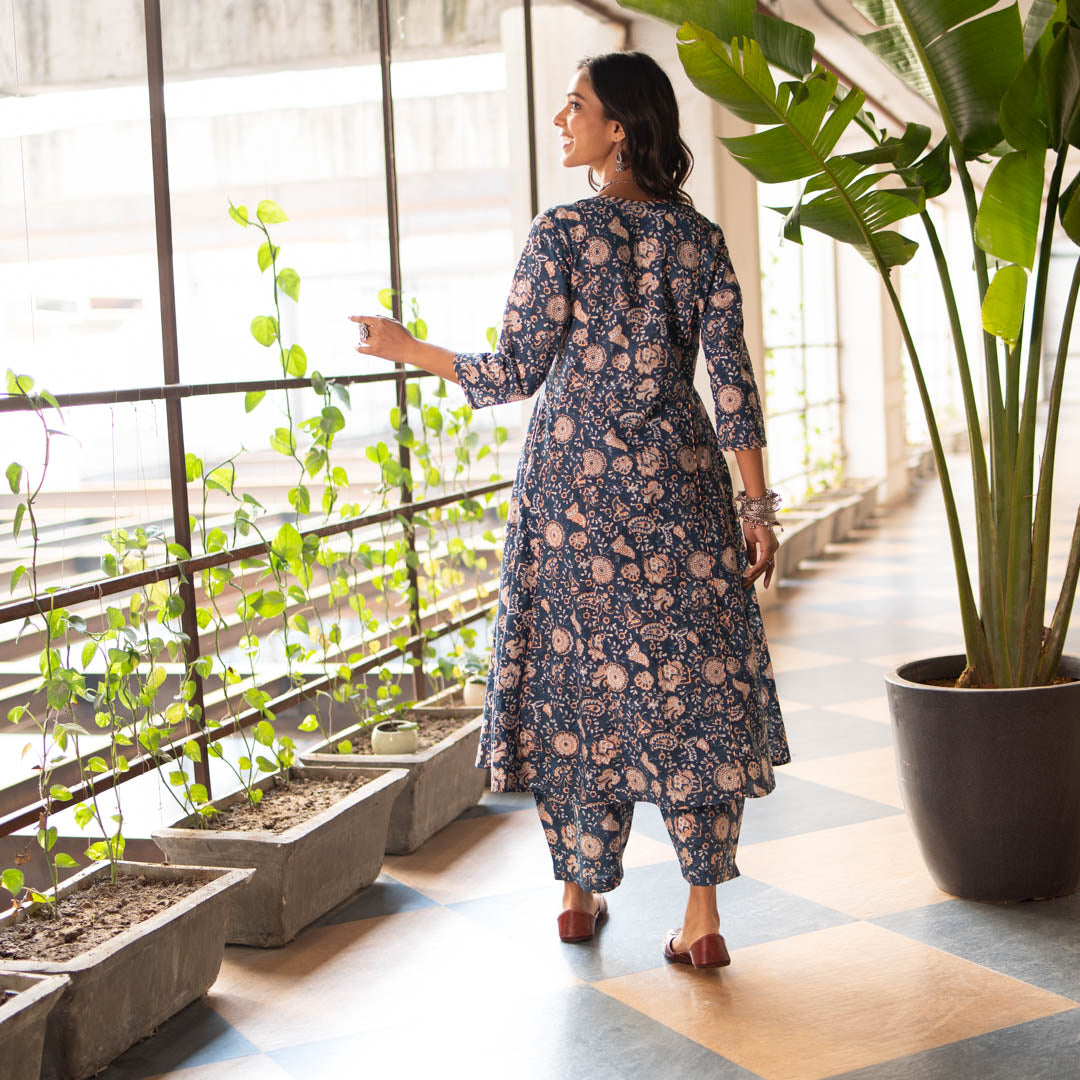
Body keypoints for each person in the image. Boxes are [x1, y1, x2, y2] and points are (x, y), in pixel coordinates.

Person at [350, 49, 791, 970]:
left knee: (577, 690)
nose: (562, 121)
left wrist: (405, 347)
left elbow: (513, 371)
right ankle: (701, 915)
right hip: (679, 491)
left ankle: (578, 894)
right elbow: (733, 386)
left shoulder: (560, 233)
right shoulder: (700, 241)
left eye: (575, 107)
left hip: (572, 501)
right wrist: (757, 509)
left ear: (618, 127)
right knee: (692, 691)